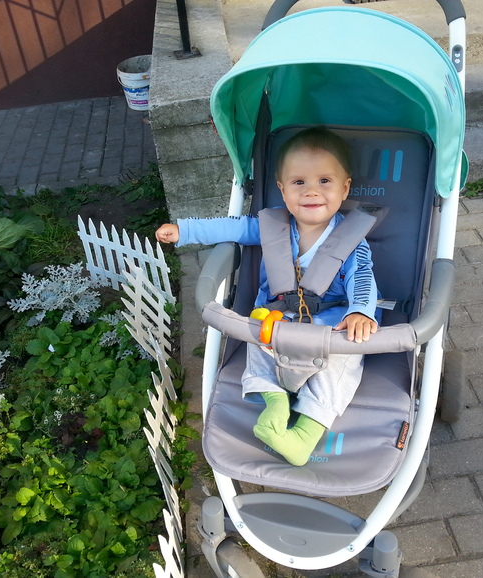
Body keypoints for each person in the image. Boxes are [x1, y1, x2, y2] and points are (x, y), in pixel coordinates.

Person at [156, 127, 379, 466]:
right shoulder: (274, 228)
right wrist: (185, 231)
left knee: (342, 364)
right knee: (256, 346)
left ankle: (304, 434)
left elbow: (362, 279)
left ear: (345, 188)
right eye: (299, 182)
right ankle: (275, 405)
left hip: (331, 329)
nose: (311, 191)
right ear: (282, 189)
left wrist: (360, 311)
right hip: (276, 322)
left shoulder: (351, 241)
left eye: (324, 181)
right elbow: (229, 227)